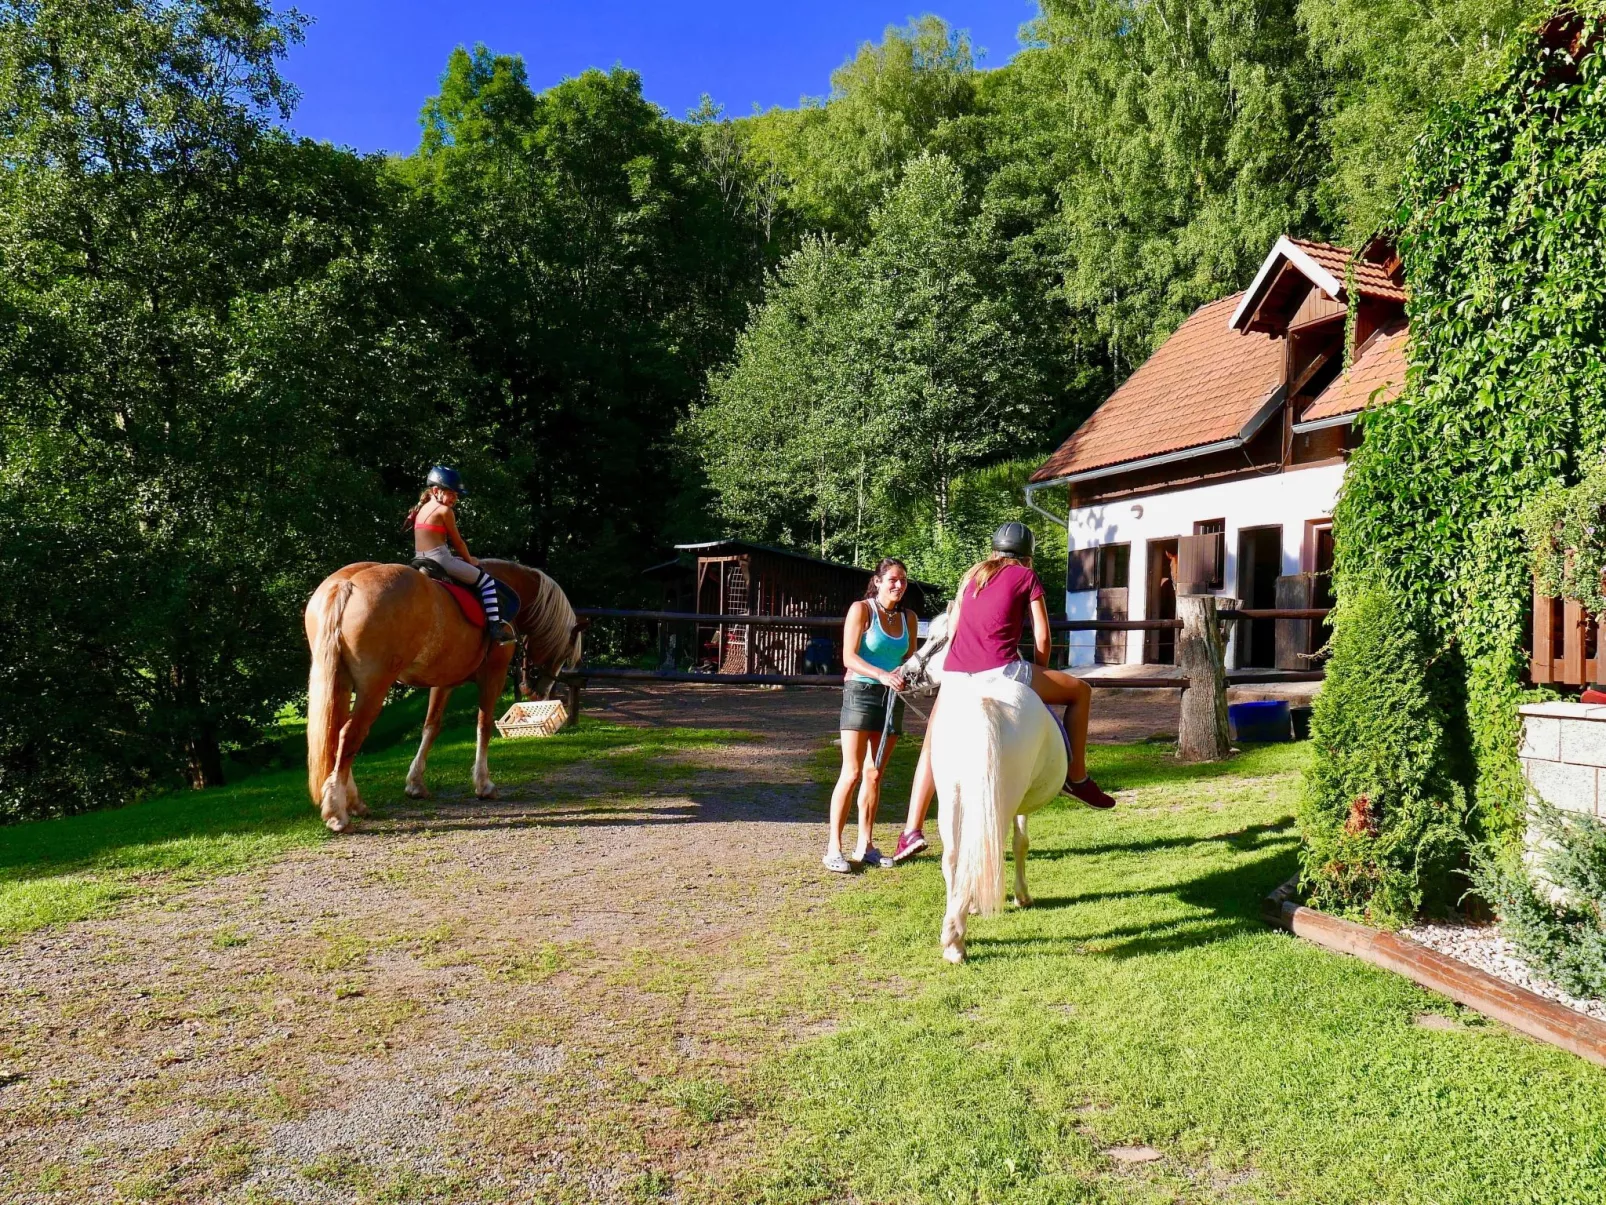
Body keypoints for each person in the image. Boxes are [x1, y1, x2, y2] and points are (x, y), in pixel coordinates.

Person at [891, 522, 1113, 863]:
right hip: (1001, 669)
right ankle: (1076, 777)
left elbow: (956, 626)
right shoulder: (1025, 576)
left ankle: (911, 830)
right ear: (1028, 555)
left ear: (994, 549)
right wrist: (1041, 670)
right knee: (1080, 691)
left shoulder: (971, 575)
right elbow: (1042, 636)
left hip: (955, 675)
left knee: (932, 745)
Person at [824, 558, 918, 874]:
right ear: (877, 581)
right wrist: (881, 674)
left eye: (903, 580)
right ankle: (833, 848)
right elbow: (848, 657)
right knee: (851, 771)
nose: (898, 585)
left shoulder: (909, 618)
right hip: (861, 694)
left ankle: (866, 845)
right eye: (892, 579)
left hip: (892, 698)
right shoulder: (861, 610)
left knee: (875, 773)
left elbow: (909, 660)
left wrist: (908, 677)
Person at [406, 465, 516, 645]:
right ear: (436, 490)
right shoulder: (445, 511)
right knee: (486, 581)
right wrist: (469, 560)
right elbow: (458, 543)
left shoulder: (421, 509)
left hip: (419, 558)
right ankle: (496, 628)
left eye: (457, 495)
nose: (455, 498)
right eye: (452, 493)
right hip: (440, 559)